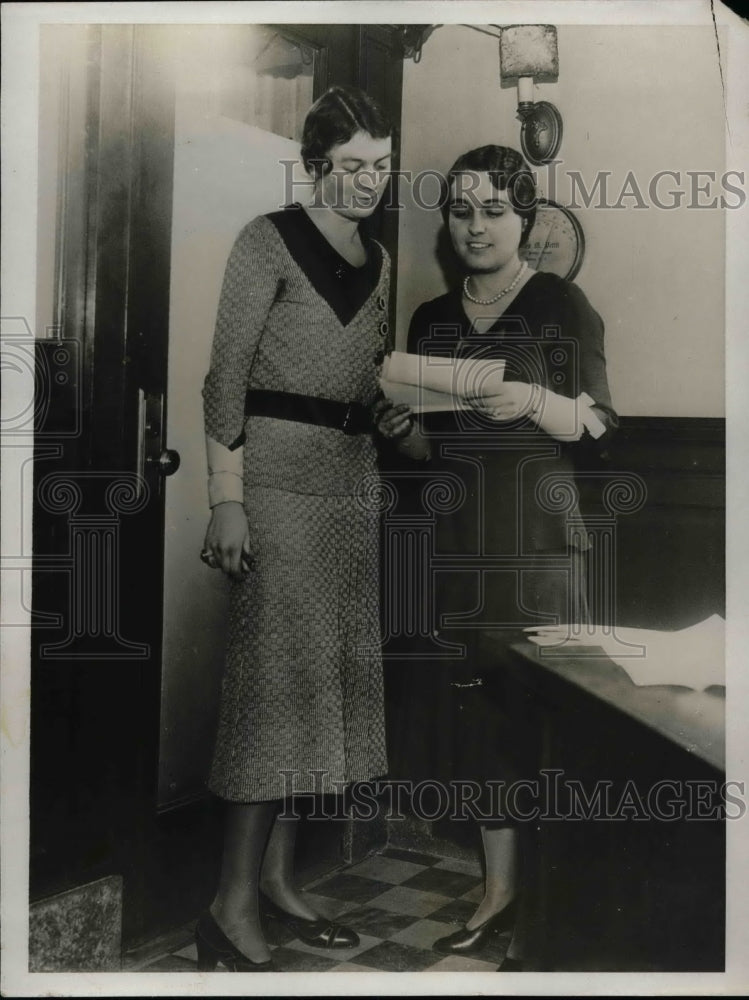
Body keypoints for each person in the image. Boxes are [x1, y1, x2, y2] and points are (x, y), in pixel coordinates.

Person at [376, 144, 618, 969]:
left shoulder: (558, 303)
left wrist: (534, 399)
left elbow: (595, 425)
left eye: (494, 211)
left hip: (537, 543)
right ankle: (498, 897)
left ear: (525, 219)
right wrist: (401, 433)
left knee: (544, 719)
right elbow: (424, 453)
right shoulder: (431, 320)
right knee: (479, 724)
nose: (476, 227)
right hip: (459, 542)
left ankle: (555, 910)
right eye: (460, 211)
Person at [197, 85, 405, 972]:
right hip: (274, 485)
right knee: (271, 695)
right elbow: (224, 379)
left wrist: (390, 415)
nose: (369, 182)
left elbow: (363, 380)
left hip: (350, 488)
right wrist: (226, 496)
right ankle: (228, 903)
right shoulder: (264, 239)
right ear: (316, 165)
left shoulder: (384, 260)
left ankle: (277, 885)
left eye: (382, 166)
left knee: (314, 694)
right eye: (352, 166)